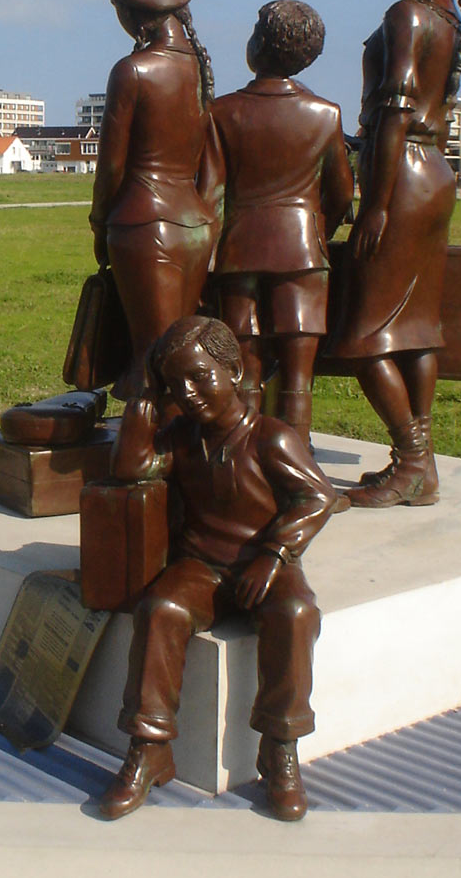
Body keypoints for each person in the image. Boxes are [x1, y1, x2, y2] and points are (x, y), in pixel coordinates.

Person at [99, 316, 338, 822]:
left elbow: (318, 496)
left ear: (232, 370)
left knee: (295, 614)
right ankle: (150, 747)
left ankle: (279, 748)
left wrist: (275, 555)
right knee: (161, 608)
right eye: (175, 385)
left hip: (265, 564)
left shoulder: (271, 438)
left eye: (200, 378)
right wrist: (144, 397)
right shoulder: (181, 438)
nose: (189, 394)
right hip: (203, 568)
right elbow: (128, 467)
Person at [329, 0, 461, 507]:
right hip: (434, 173)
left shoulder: (407, 15)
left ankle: (412, 460)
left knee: (364, 335)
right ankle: (422, 463)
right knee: (416, 329)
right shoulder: (448, 16)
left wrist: (375, 205)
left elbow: (394, 111)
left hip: (404, 176)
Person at [209, 0, 354, 444]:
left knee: (242, 362)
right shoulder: (325, 115)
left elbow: (211, 194)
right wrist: (318, 233)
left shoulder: (221, 112)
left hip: (238, 251)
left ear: (258, 45)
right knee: (297, 370)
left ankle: (243, 453)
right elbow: (342, 192)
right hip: (304, 251)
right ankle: (296, 455)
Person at [89, 0, 220, 398]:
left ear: (133, 11)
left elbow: (111, 165)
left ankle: (143, 456)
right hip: (194, 225)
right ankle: (171, 447)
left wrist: (98, 222)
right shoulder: (199, 69)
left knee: (151, 359)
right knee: (179, 349)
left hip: (144, 226)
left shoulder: (133, 71)